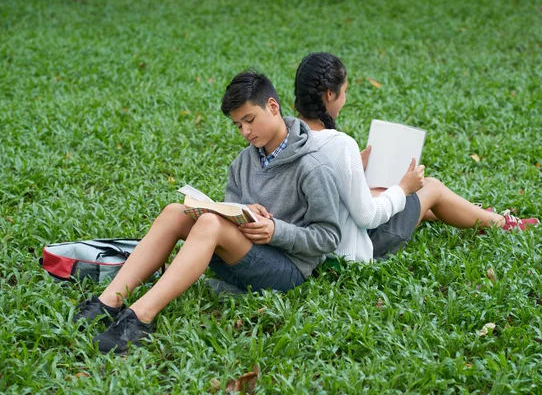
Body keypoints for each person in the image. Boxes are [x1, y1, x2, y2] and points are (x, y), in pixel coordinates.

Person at [73, 70, 341, 354]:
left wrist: (276, 231)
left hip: (287, 271)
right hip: (241, 260)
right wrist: (242, 210)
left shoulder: (312, 166)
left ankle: (140, 317)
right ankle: (108, 302)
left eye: (249, 120)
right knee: (175, 212)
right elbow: (230, 211)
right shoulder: (243, 161)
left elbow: (329, 236)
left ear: (273, 106)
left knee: (211, 224)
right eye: (238, 126)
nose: (246, 132)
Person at [294, 52, 539, 262]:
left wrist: (355, 166)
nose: (345, 99)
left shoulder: (289, 135)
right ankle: (502, 224)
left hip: (316, 239)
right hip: (355, 246)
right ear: (329, 94)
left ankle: (473, 214)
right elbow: (367, 216)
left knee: (382, 189)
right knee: (431, 187)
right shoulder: (339, 144)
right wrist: (403, 187)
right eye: (344, 92)